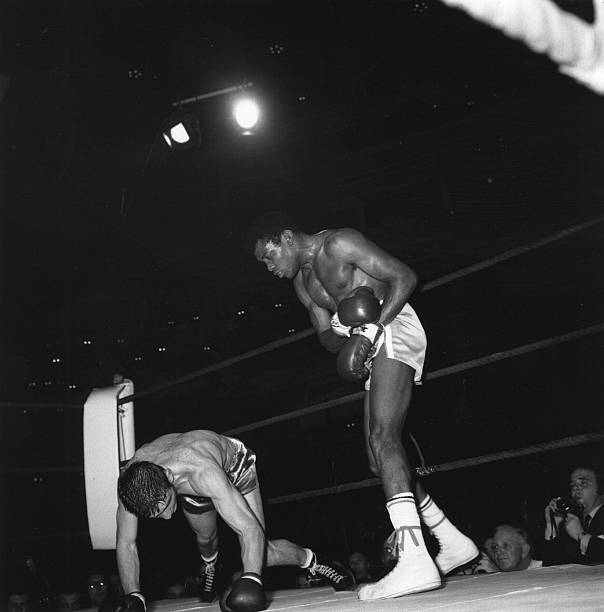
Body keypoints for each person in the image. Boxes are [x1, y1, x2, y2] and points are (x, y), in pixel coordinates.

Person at [250, 212, 478, 599]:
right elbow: (325, 335)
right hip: (368, 341)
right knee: (377, 456)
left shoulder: (339, 243)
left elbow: (404, 277)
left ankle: (414, 558)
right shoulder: (304, 285)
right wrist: (344, 328)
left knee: (383, 436)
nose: (270, 267)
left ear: (287, 237)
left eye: (269, 256)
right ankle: (449, 539)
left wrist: (371, 328)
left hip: (392, 325)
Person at [113, 430, 354, 612]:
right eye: (156, 515)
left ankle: (314, 561)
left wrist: (251, 577)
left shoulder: (202, 472)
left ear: (167, 476)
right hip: (183, 484)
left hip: (233, 469)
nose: (167, 517)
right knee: (205, 539)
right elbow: (126, 543)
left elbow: (247, 528)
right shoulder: (131, 488)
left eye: (165, 506)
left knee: (263, 554)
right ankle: (211, 565)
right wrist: (133, 595)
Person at [542, 466, 604, 566]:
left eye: (583, 483)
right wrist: (552, 526)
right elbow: (551, 566)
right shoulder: (572, 522)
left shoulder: (575, 528)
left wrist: (580, 535)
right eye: (572, 485)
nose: (576, 488)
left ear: (600, 487)